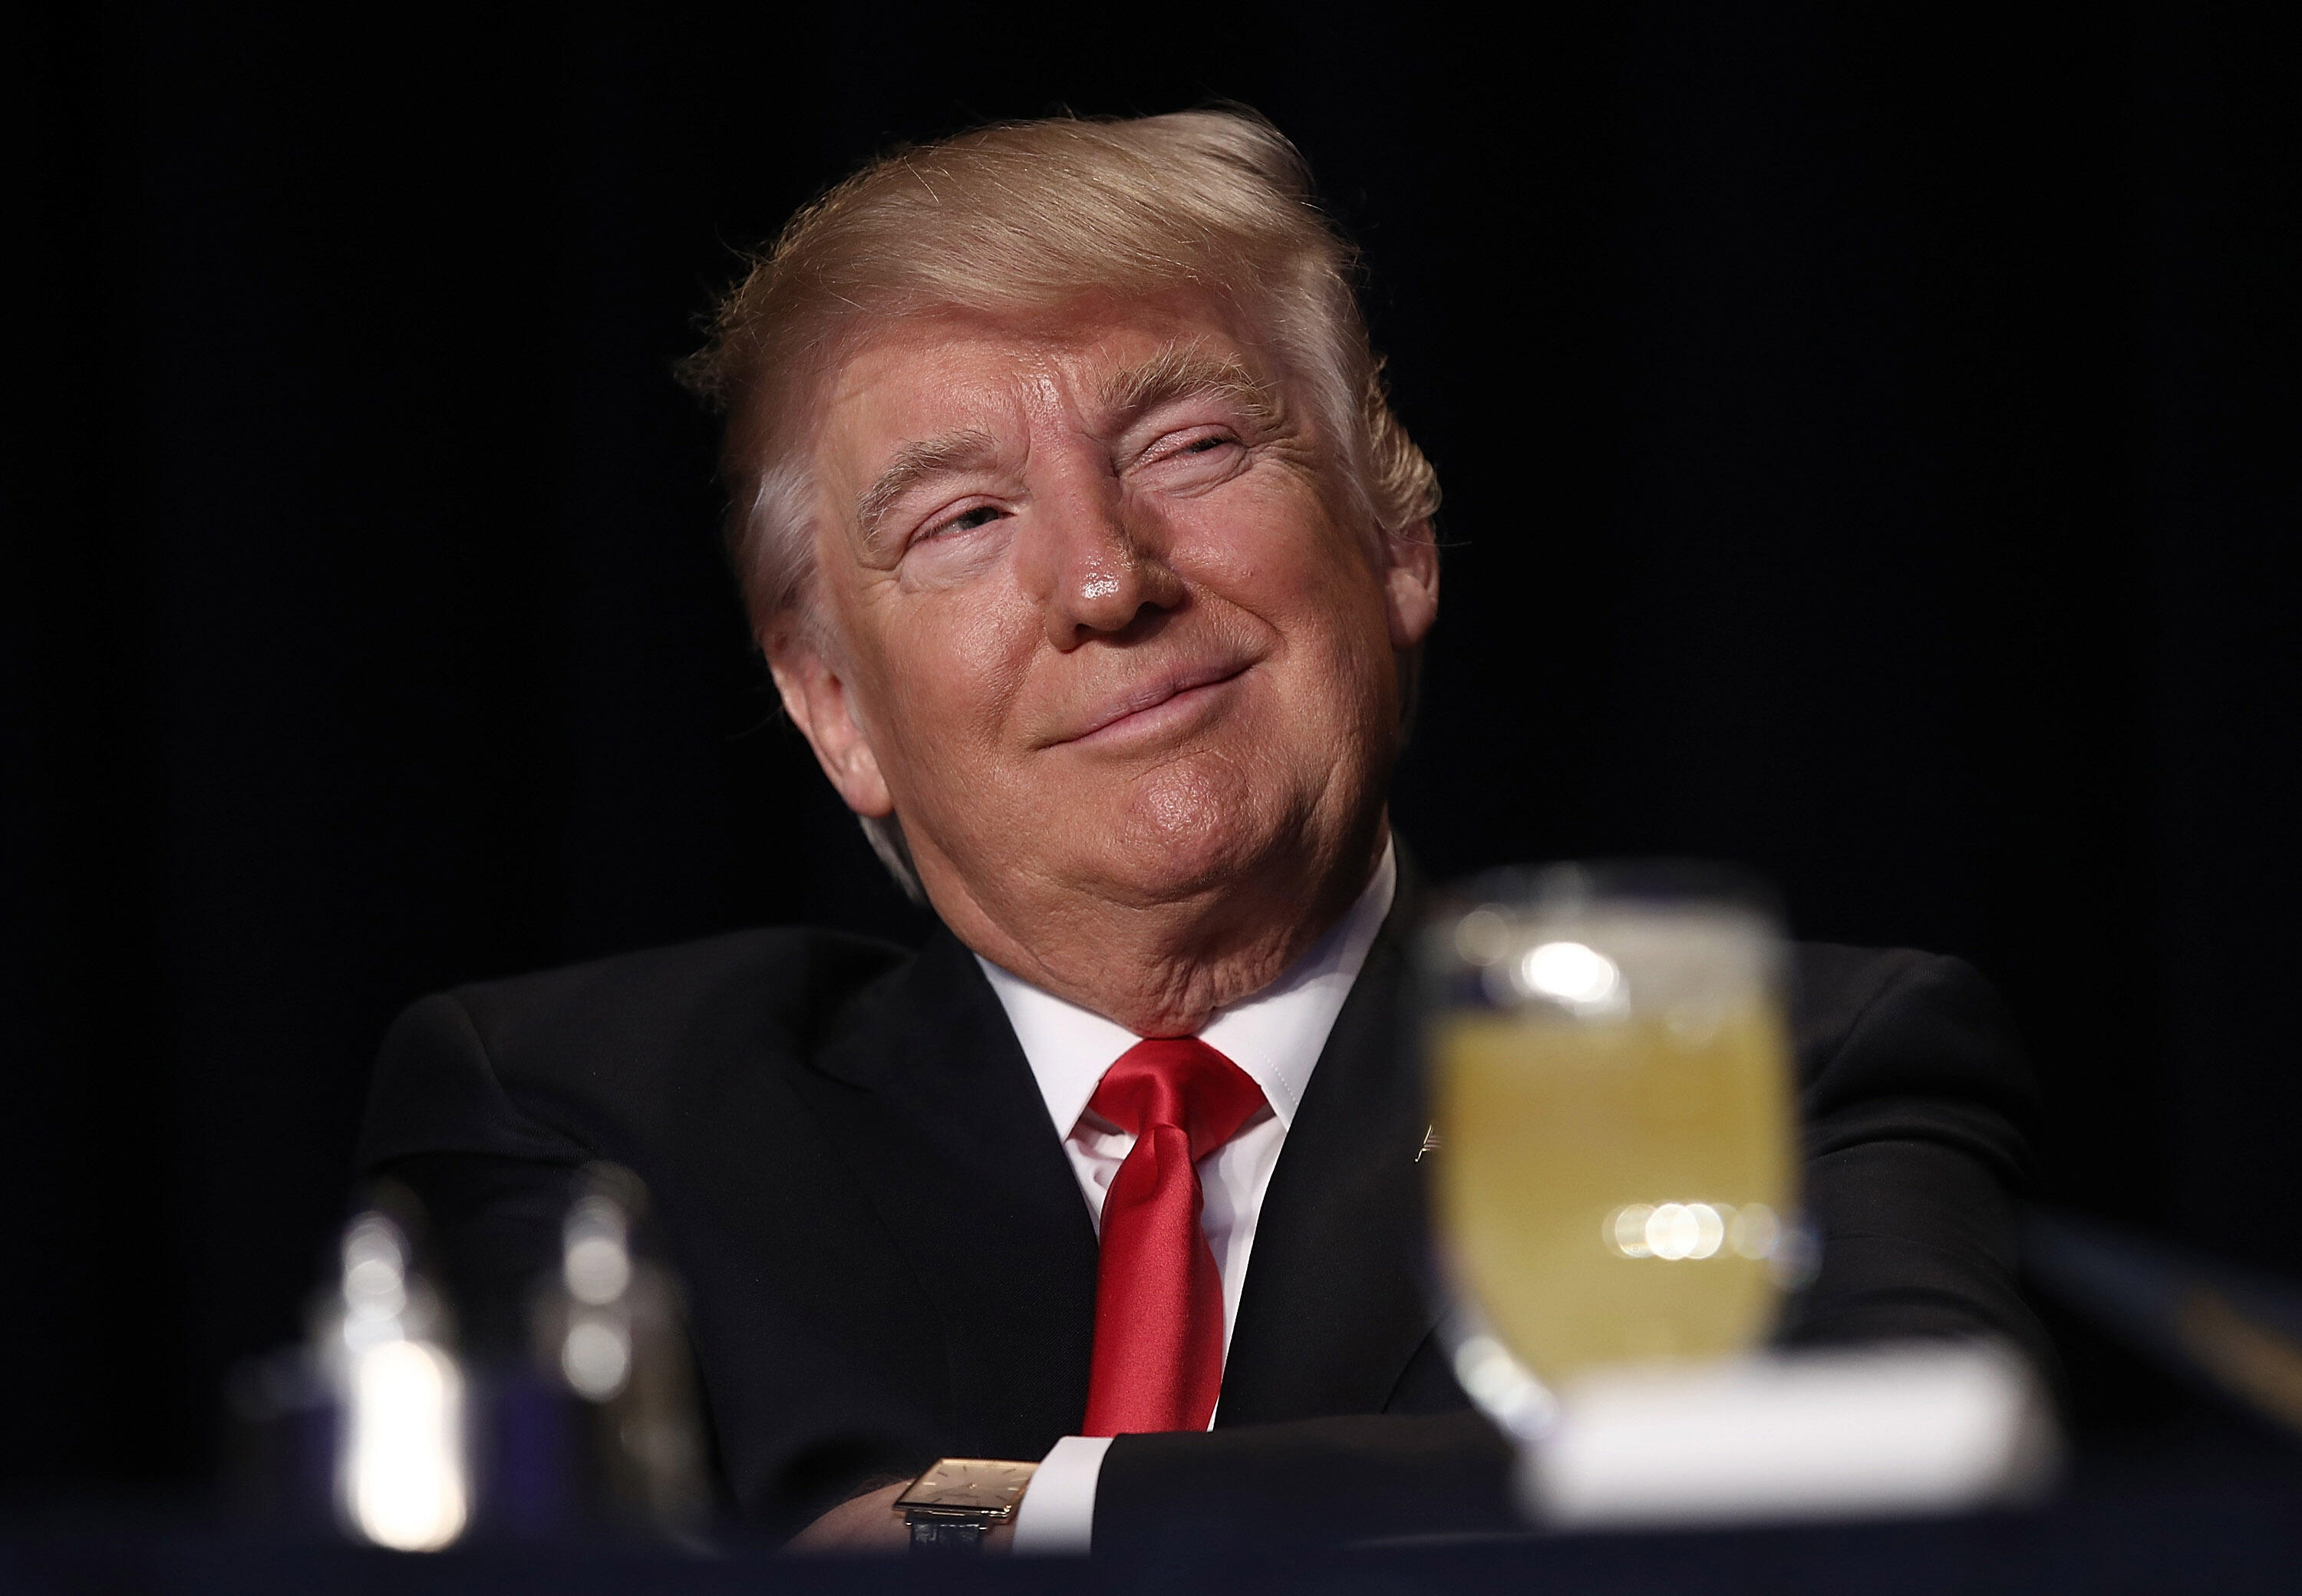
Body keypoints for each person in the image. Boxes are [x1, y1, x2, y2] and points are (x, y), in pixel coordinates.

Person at [356, 109, 2046, 1555]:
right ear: (834, 707)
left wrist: (1020, 1514)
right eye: (963, 518)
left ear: (1395, 541)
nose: (1106, 579)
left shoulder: (1748, 1060)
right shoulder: (599, 1116)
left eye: (1194, 444)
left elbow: (1901, 1467)